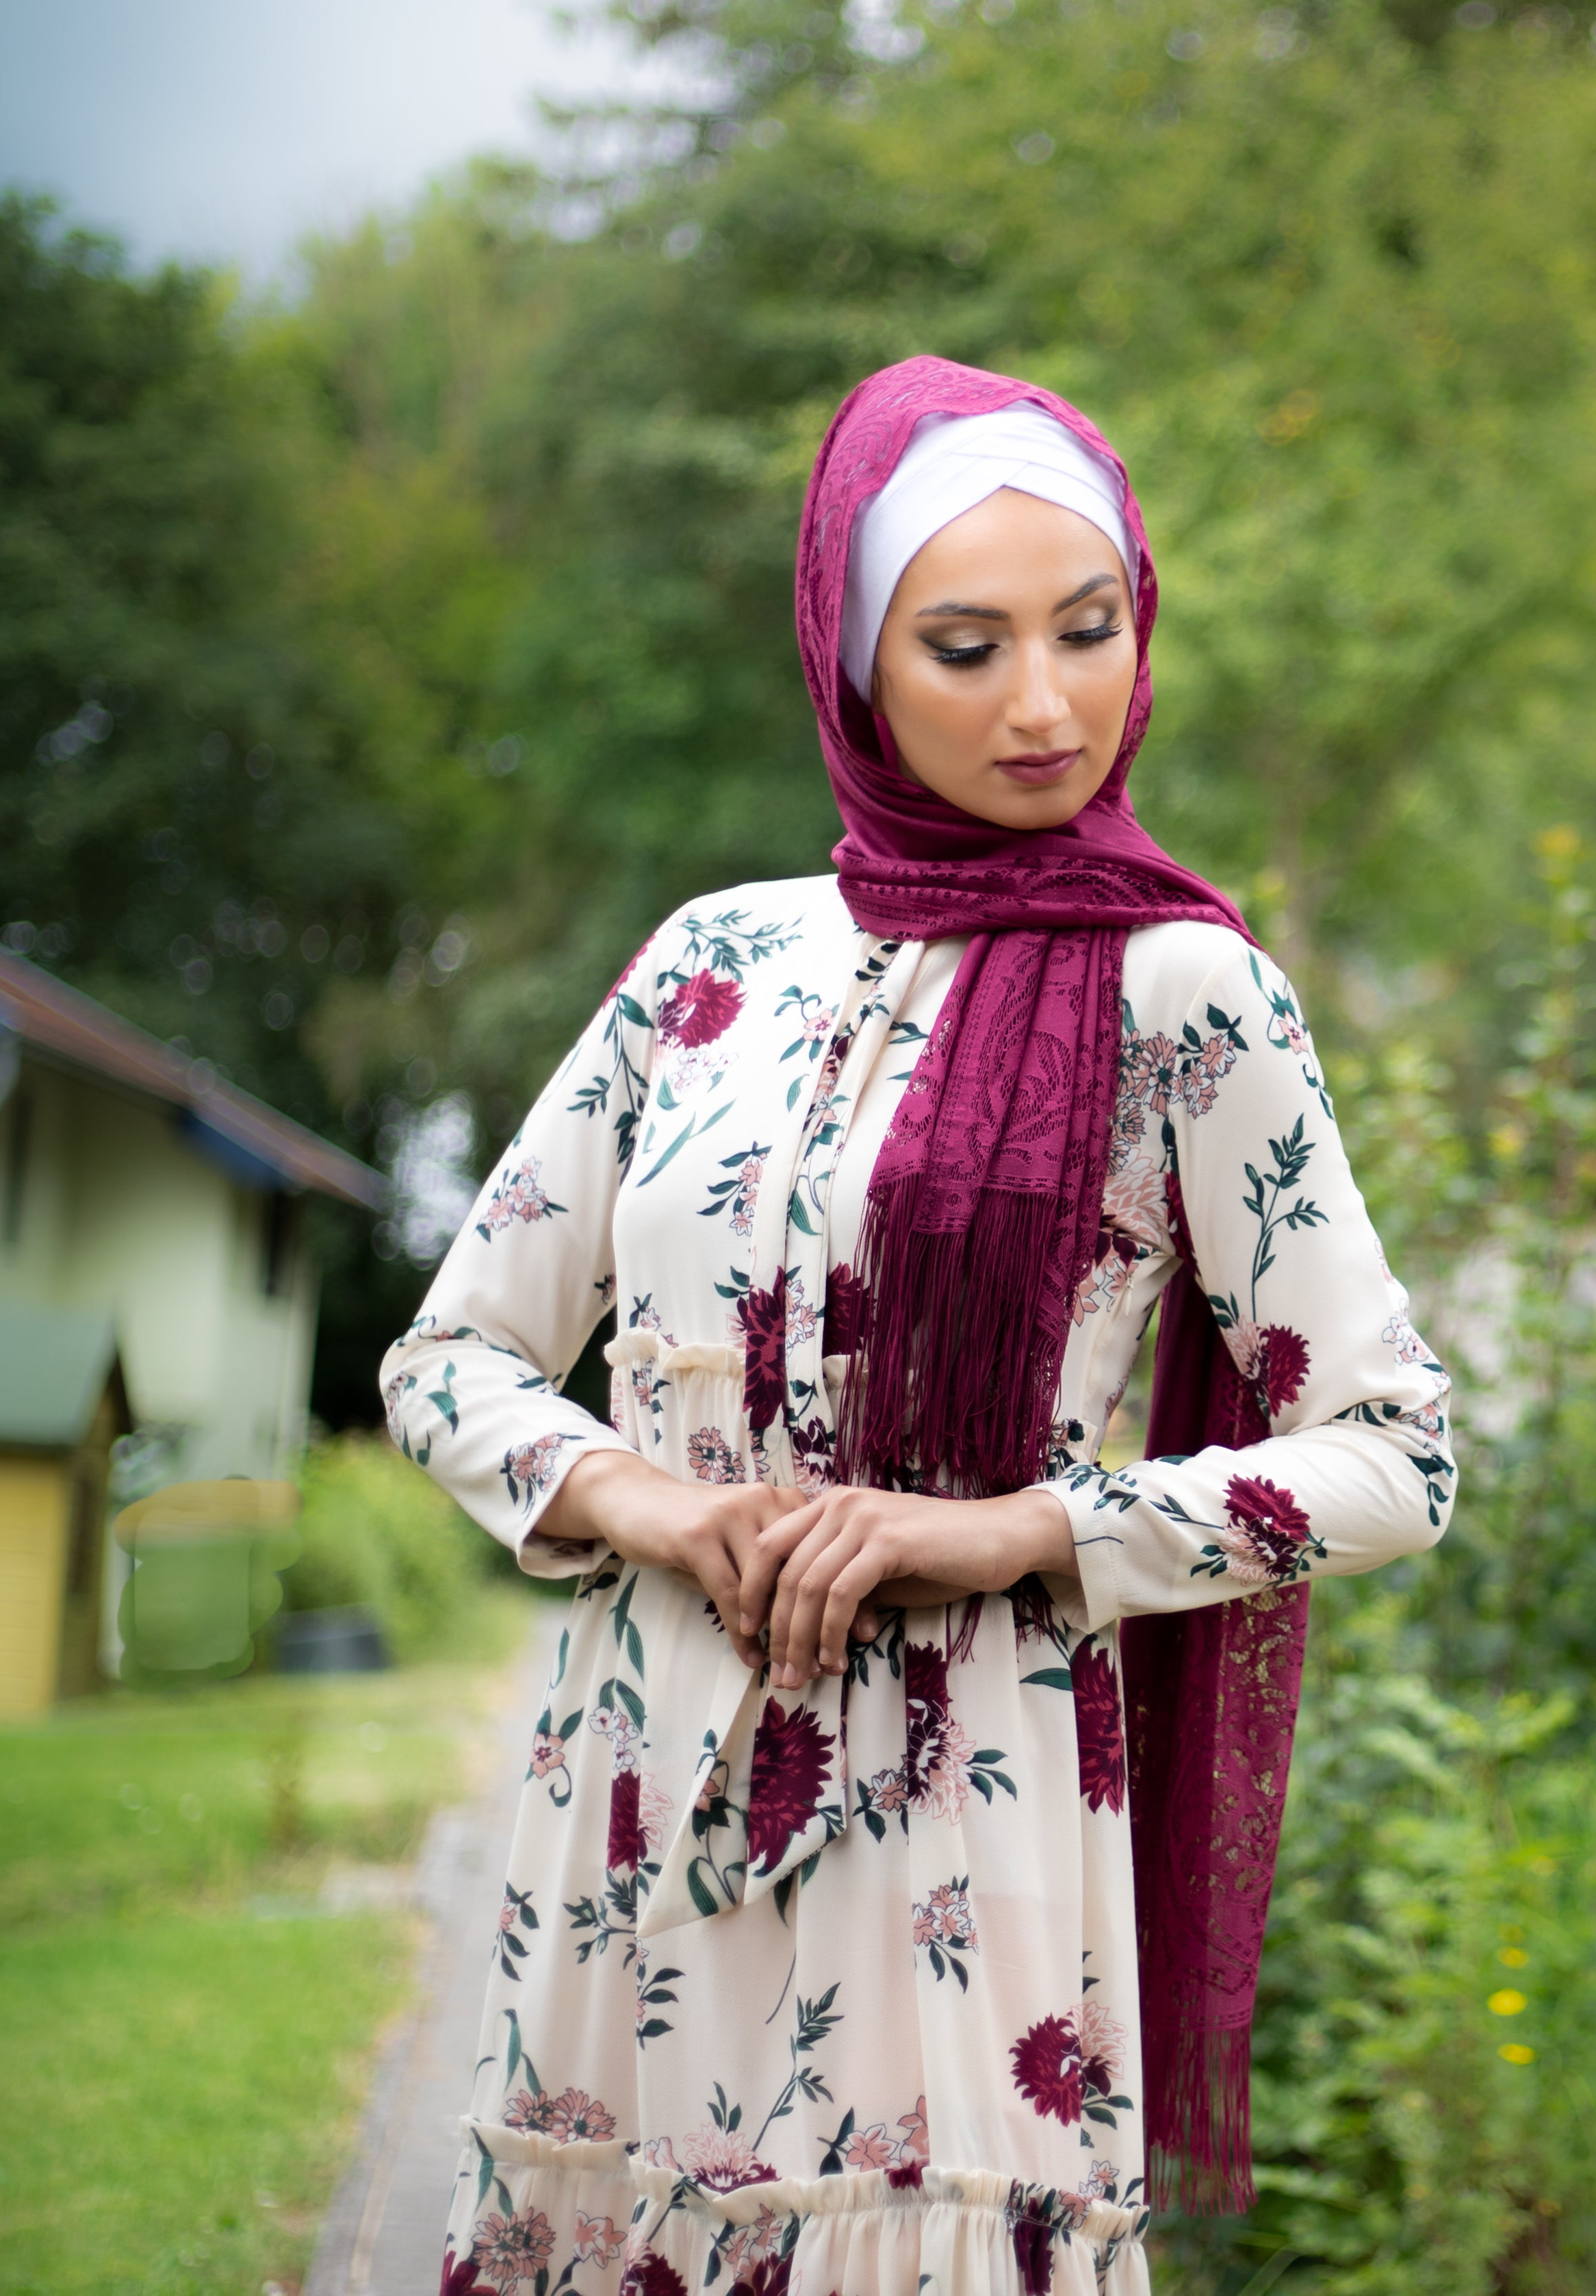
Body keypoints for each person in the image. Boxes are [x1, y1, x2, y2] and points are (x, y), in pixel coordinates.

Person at [381, 356, 1454, 2295]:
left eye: (1090, 627)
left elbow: (1396, 1455)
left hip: (964, 1815)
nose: (1047, 703)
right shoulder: (709, 962)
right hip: (637, 1796)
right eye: (965, 645)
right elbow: (447, 1359)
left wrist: (1010, 1528)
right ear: (856, 656)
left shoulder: (1185, 993)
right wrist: (646, 1501)